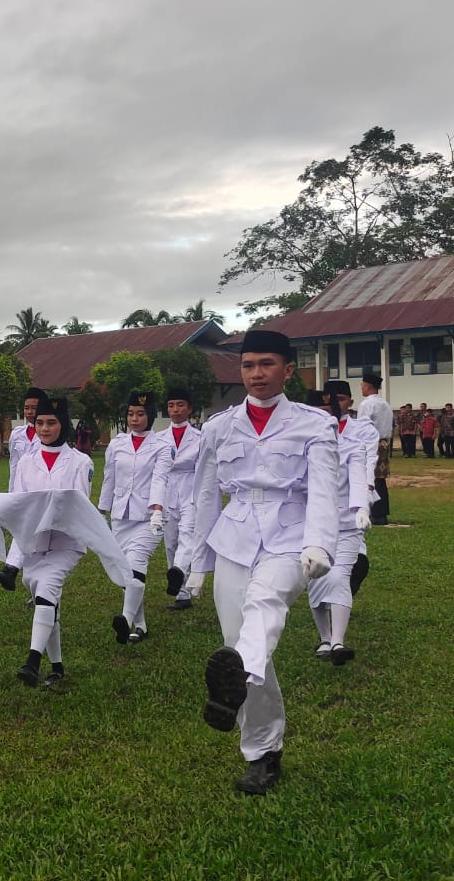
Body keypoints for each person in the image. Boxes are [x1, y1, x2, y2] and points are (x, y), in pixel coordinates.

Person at [182, 328, 339, 795]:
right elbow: (207, 492)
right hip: (234, 537)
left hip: (292, 537)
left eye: (266, 364)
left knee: (265, 603)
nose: (256, 374)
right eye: (248, 365)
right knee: (243, 648)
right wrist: (196, 563)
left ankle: (242, 713)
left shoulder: (314, 424)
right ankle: (264, 752)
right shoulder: (219, 426)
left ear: (288, 370)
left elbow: (325, 490)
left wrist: (321, 545)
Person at [1, 395, 97, 686]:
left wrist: (47, 515)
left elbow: (77, 507)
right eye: (40, 422)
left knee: (46, 591)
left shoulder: (81, 462)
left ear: (63, 424)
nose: (44, 428)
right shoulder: (26, 463)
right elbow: (21, 512)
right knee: (45, 598)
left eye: (51, 422)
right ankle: (56, 666)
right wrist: (12, 564)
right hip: (33, 543)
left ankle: (31, 661)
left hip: (66, 544)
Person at [307, 381, 374, 664]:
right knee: (316, 580)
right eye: (317, 413)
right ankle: (324, 638)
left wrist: (361, 508)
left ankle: (338, 642)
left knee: (339, 576)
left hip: (347, 524)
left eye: (328, 412)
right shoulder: (300, 450)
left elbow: (359, 477)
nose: (323, 418)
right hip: (313, 526)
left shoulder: (352, 445)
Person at [99, 391, 169, 644]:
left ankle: (126, 618)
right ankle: (139, 624)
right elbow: (109, 479)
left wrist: (158, 510)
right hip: (121, 516)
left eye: (140, 414)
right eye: (130, 414)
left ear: (150, 416)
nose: (134, 418)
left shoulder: (162, 446)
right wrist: (101, 512)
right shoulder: (117, 444)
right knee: (123, 572)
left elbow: (160, 478)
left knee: (136, 564)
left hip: (149, 517)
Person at [150, 387, 204, 612]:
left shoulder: (201, 438)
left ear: (189, 408)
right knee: (170, 540)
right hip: (168, 489)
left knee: (188, 534)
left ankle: (180, 570)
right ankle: (181, 594)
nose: (175, 410)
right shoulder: (159, 439)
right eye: (171, 405)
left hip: (191, 487)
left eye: (180, 405)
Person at [0, 387, 47, 591]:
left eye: (34, 407)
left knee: (34, 538)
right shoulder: (17, 434)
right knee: (26, 532)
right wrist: (11, 494)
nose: (30, 412)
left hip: (42, 492)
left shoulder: (51, 432)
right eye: (26, 407)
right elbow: (13, 465)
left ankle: (11, 568)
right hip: (22, 490)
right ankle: (14, 572)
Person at [357, 370, 393, 524]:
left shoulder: (366, 404)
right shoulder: (385, 403)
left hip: (371, 443)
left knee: (371, 477)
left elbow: (361, 426)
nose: (361, 388)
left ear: (369, 386)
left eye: (362, 385)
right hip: (384, 442)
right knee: (380, 478)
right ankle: (381, 512)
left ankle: (376, 513)